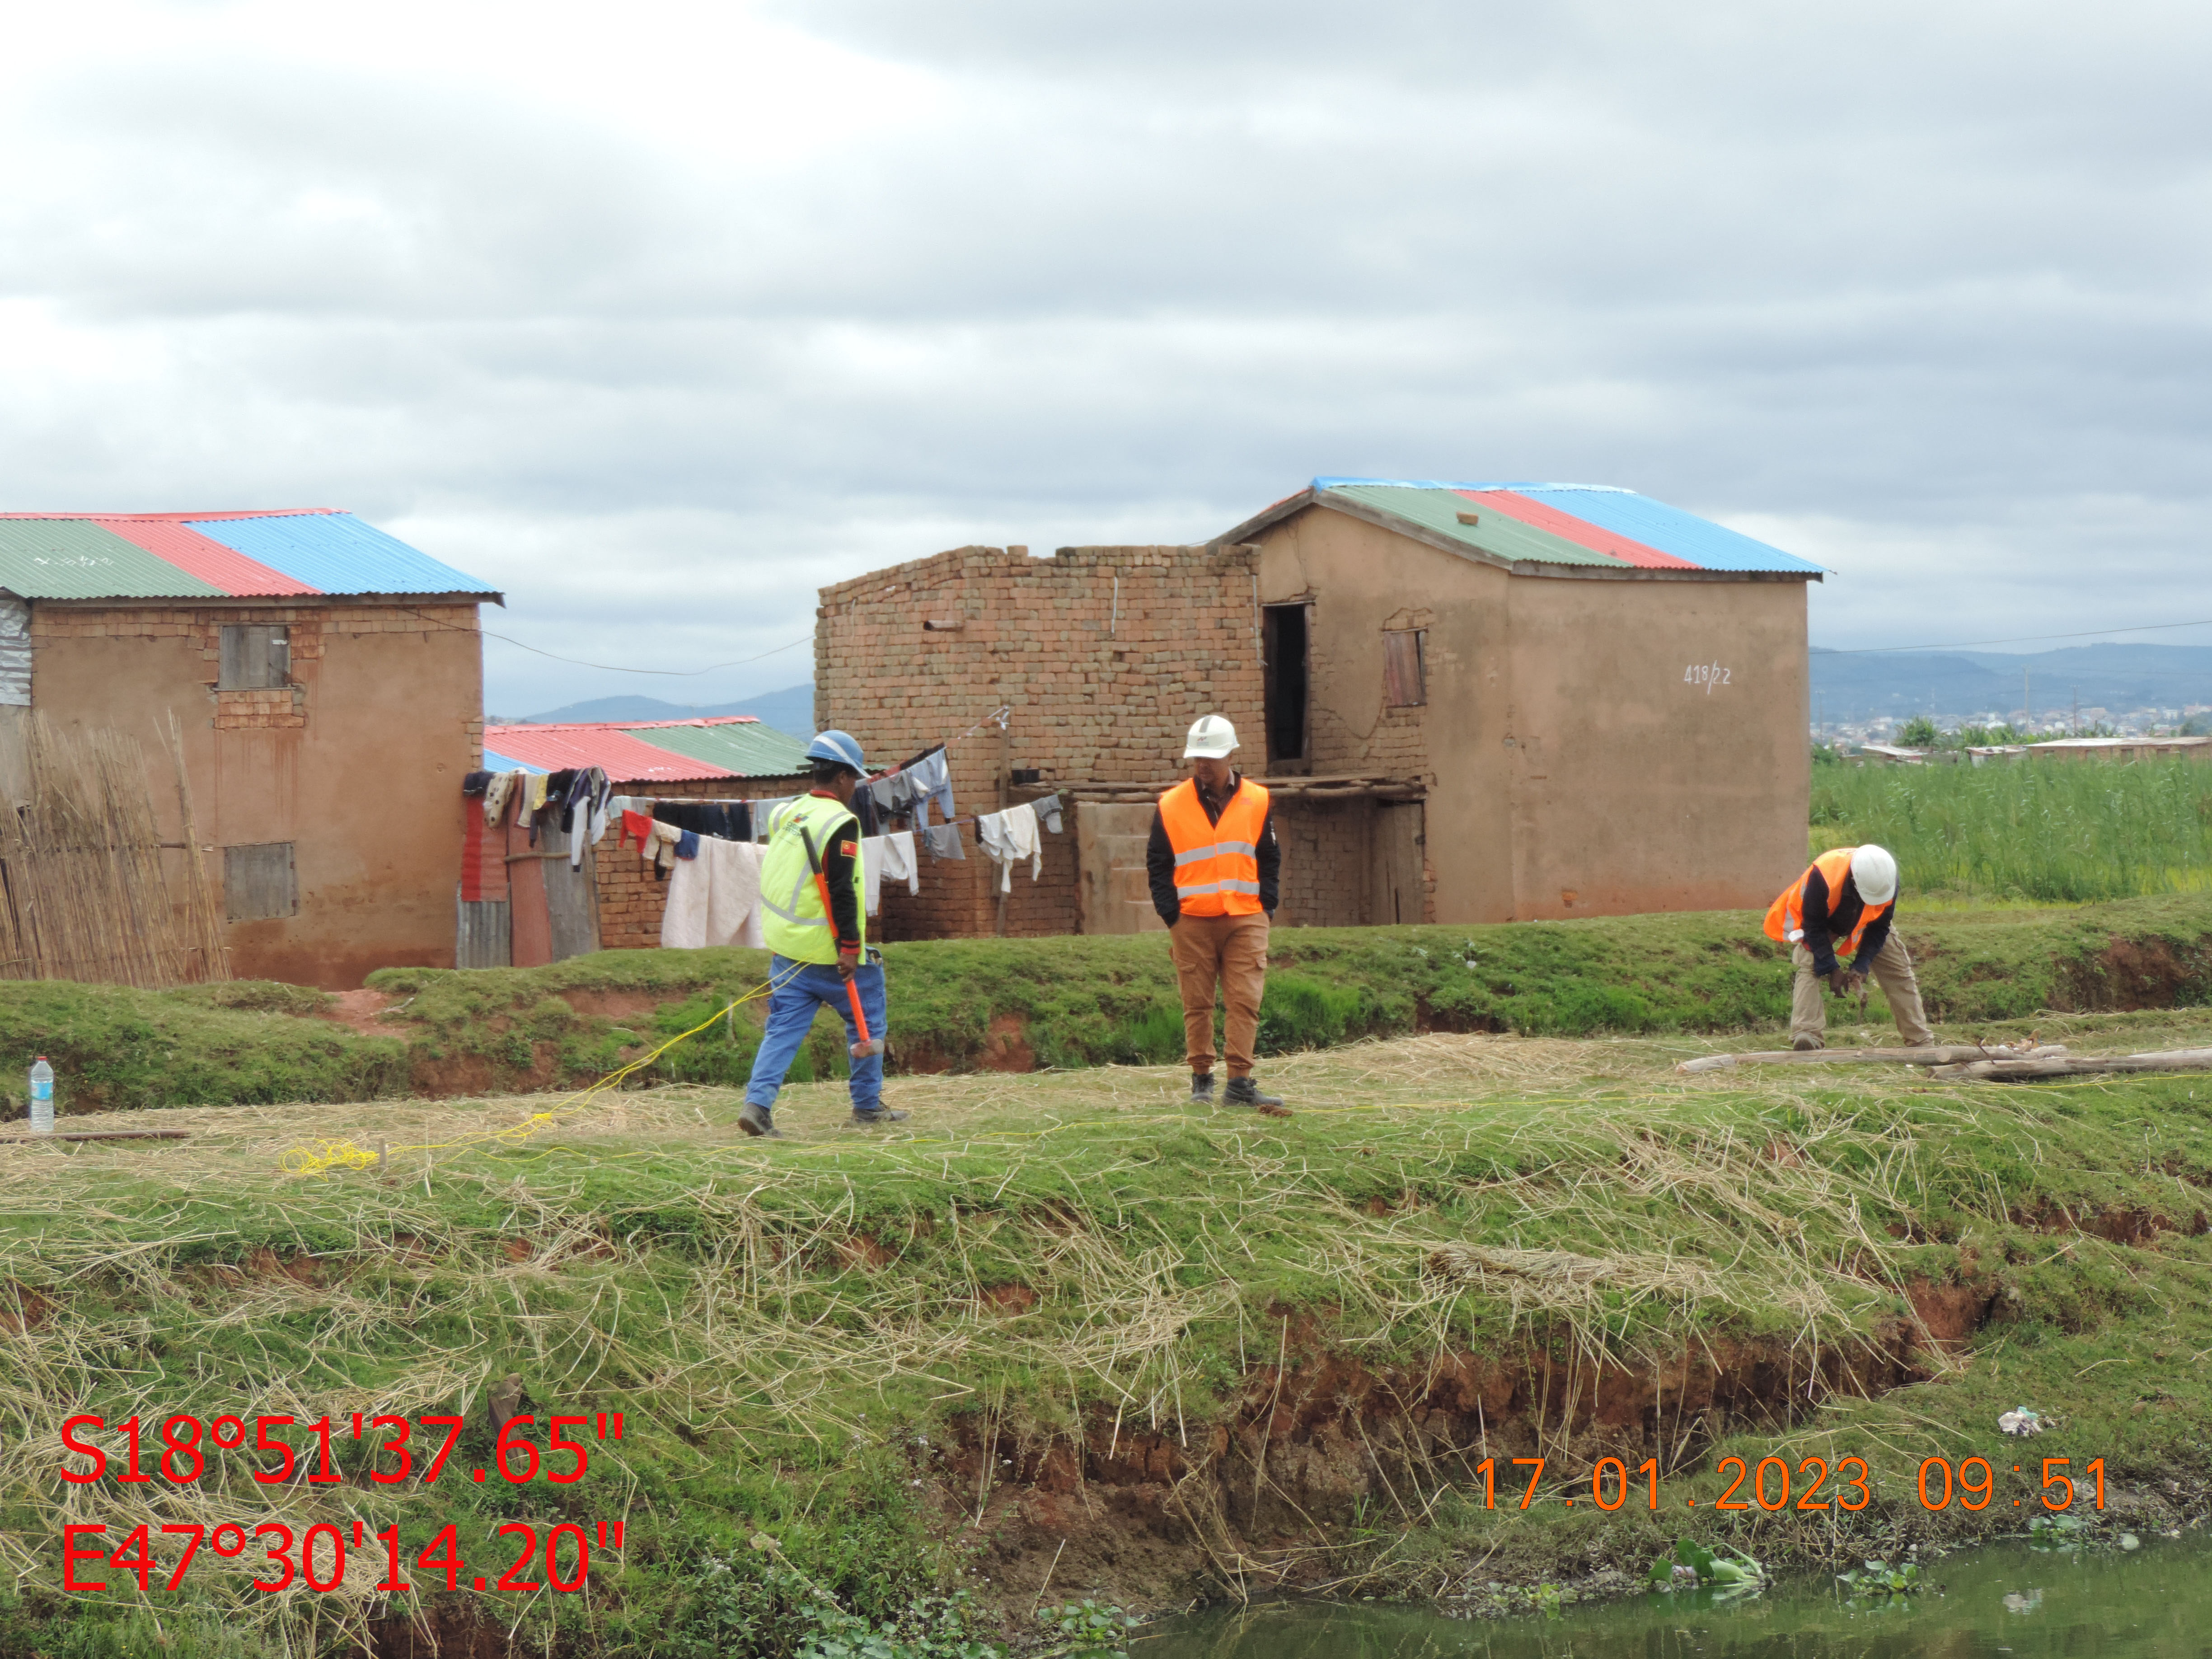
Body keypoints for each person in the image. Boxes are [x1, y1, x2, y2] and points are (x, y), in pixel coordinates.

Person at [740, 730, 908, 1136]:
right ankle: (867, 1108)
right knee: (868, 1023)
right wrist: (851, 949)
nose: (856, 788)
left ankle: (757, 1106)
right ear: (844, 778)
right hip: (833, 953)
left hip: (787, 950)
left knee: (782, 1029)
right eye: (856, 780)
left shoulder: (788, 813)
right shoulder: (840, 823)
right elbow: (842, 891)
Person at [1146, 714, 1284, 1106]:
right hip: (1191, 919)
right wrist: (1170, 913)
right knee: (1197, 1002)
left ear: (1230, 755)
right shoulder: (1171, 805)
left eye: (1211, 758)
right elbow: (1158, 863)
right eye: (1197, 759)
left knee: (1245, 1001)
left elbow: (1269, 857)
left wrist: (1266, 907)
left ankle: (1239, 1085)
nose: (1203, 766)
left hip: (1246, 917)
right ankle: (1202, 1082)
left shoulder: (1258, 799)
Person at [1763, 844, 1933, 1051]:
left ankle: (1920, 1041)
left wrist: (1862, 965)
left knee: (1899, 970)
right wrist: (1831, 968)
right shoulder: (1824, 875)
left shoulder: (1887, 880)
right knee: (1809, 963)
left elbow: (1880, 927)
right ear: (1854, 880)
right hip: (1823, 922)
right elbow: (1813, 926)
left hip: (1869, 922)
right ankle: (1806, 1034)